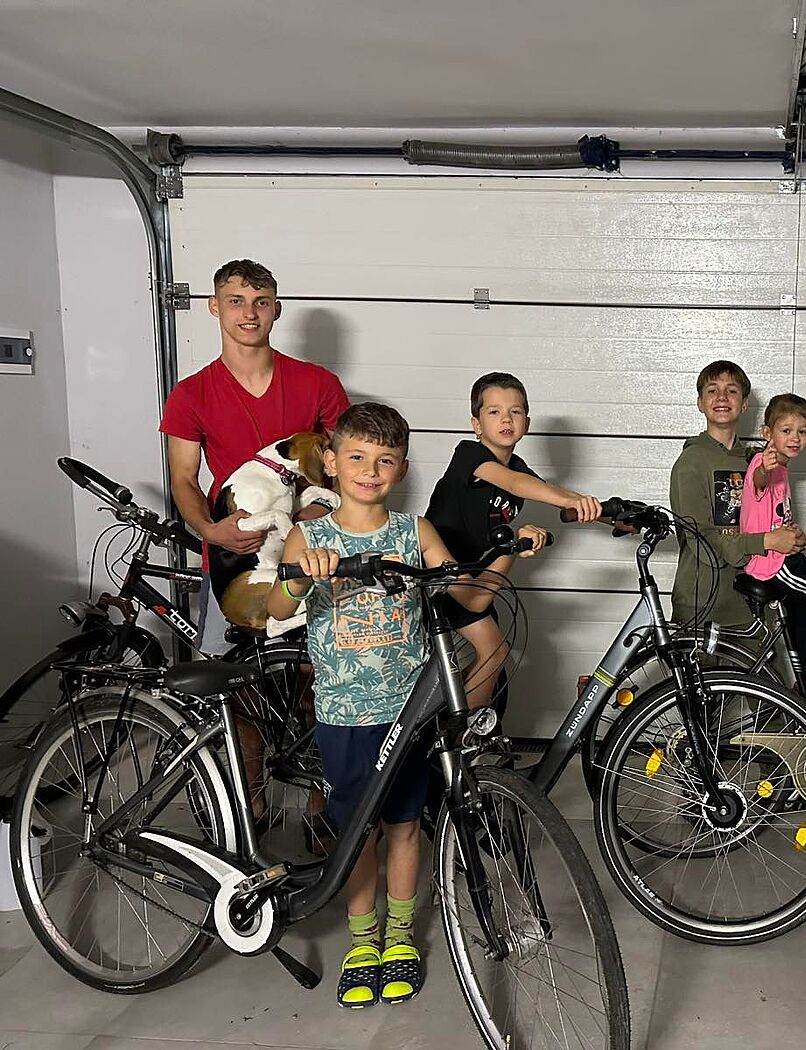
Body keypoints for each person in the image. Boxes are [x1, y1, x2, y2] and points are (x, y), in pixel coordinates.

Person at [266, 402, 550, 1009]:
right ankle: (361, 941)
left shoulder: (412, 533)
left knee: (402, 827)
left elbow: (467, 594)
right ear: (333, 462)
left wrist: (508, 547)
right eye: (359, 458)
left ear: (399, 469)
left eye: (386, 460)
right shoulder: (311, 534)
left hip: (408, 714)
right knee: (356, 830)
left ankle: (399, 940)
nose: (371, 471)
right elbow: (277, 609)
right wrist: (299, 576)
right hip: (344, 714)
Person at [160, 258, 348, 847]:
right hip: (235, 558)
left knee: (321, 675)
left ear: (276, 308)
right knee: (236, 685)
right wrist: (209, 534)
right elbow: (185, 481)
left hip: (309, 554)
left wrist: (321, 510)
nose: (249, 312)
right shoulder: (192, 394)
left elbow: (350, 458)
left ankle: (324, 805)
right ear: (214, 308)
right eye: (236, 301)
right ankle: (252, 805)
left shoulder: (316, 383)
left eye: (260, 300)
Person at [424, 372, 601, 713]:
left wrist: (613, 514)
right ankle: (459, 741)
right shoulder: (469, 455)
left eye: (515, 412)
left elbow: (556, 494)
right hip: (439, 573)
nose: (506, 418)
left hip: (476, 574)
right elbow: (519, 485)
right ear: (476, 424)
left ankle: (463, 739)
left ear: (527, 423)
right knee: (491, 649)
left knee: (493, 650)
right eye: (494, 412)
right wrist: (572, 501)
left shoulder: (517, 466)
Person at [669, 360, 804, 629]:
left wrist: (791, 538)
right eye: (712, 390)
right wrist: (766, 541)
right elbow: (701, 540)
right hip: (702, 605)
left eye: (731, 390)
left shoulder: (758, 462)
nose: (721, 397)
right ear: (699, 403)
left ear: (744, 405)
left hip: (752, 604)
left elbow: (773, 520)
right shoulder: (691, 462)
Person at [739, 393, 806, 684]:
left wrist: (795, 531)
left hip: (785, 556)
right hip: (772, 564)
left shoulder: (783, 469)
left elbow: (771, 513)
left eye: (802, 432)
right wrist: (764, 467)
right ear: (767, 433)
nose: (795, 437)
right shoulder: (764, 462)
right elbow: (757, 481)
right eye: (786, 431)